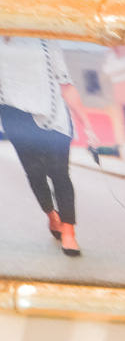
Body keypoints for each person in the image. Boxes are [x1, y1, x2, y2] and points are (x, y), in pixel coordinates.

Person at [0, 35, 88, 256]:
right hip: (14, 116)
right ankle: (52, 217)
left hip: (53, 114)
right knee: (34, 172)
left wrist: (87, 125)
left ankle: (69, 232)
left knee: (60, 173)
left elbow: (66, 84)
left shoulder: (44, 39)